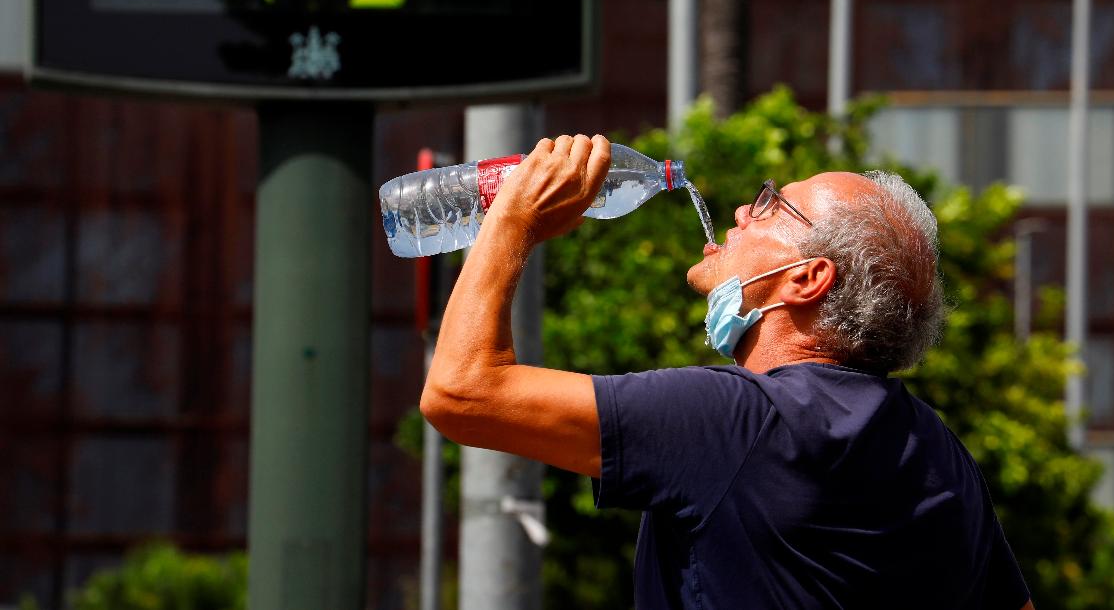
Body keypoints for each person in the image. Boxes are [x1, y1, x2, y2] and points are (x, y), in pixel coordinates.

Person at [421, 134, 1035, 610]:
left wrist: (511, 220)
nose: (743, 208)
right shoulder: (938, 450)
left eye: (773, 206)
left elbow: (461, 391)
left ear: (807, 278)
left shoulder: (736, 421)